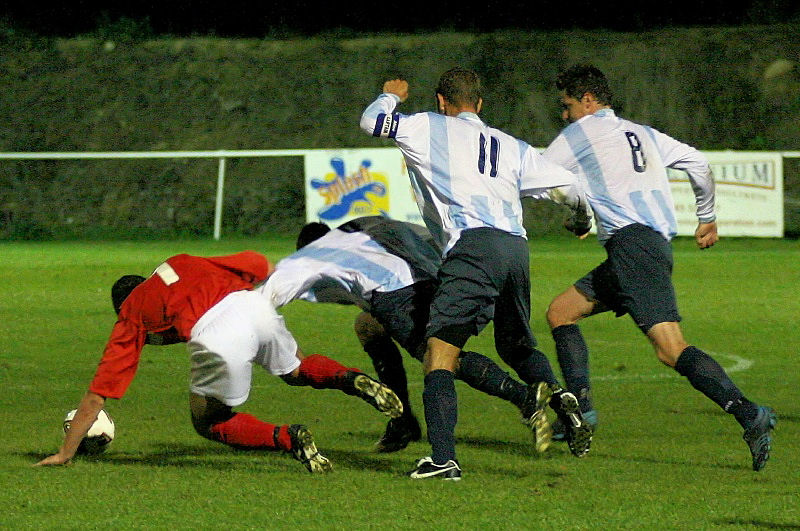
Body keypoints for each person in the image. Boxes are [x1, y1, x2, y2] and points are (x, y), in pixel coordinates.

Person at [360, 67, 594, 480]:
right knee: (516, 346)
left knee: (439, 353)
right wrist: (581, 219)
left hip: (472, 246)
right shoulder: (509, 145)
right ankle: (561, 400)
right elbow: (572, 187)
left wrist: (390, 95)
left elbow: (373, 122)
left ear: (440, 102)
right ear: (480, 104)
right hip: (515, 250)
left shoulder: (426, 126)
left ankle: (443, 459)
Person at [541, 64, 776, 471]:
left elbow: (544, 179)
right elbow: (698, 164)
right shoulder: (643, 133)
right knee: (560, 312)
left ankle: (748, 413)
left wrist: (578, 217)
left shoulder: (579, 135)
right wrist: (707, 216)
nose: (564, 116)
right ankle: (582, 412)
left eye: (567, 106)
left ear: (588, 100)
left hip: (633, 249)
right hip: (645, 247)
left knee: (670, 350)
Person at [35, 251, 403, 472]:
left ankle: (289, 439)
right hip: (252, 304)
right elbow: (256, 263)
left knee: (208, 420)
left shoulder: (132, 310)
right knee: (296, 368)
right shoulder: (181, 263)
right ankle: (353, 379)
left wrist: (65, 452)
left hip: (215, 330)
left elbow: (100, 392)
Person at [266, 215, 560, 454]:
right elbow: (423, 234)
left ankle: (522, 396)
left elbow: (270, 292)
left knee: (440, 359)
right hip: (432, 278)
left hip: (397, 293)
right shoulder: (362, 227)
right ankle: (402, 420)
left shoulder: (314, 257)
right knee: (367, 326)